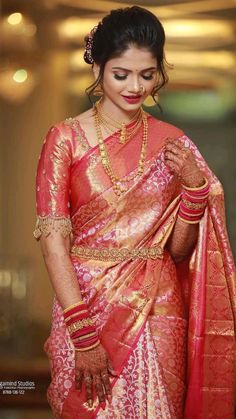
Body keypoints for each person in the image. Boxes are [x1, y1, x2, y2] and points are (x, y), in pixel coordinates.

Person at [33, 6, 236, 419]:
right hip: (85, 308)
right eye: (121, 74)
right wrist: (83, 335)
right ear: (99, 68)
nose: (135, 86)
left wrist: (195, 189)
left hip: (158, 308)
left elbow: (177, 252)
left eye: (147, 74)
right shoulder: (65, 139)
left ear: (159, 71)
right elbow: (55, 240)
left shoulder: (173, 142)